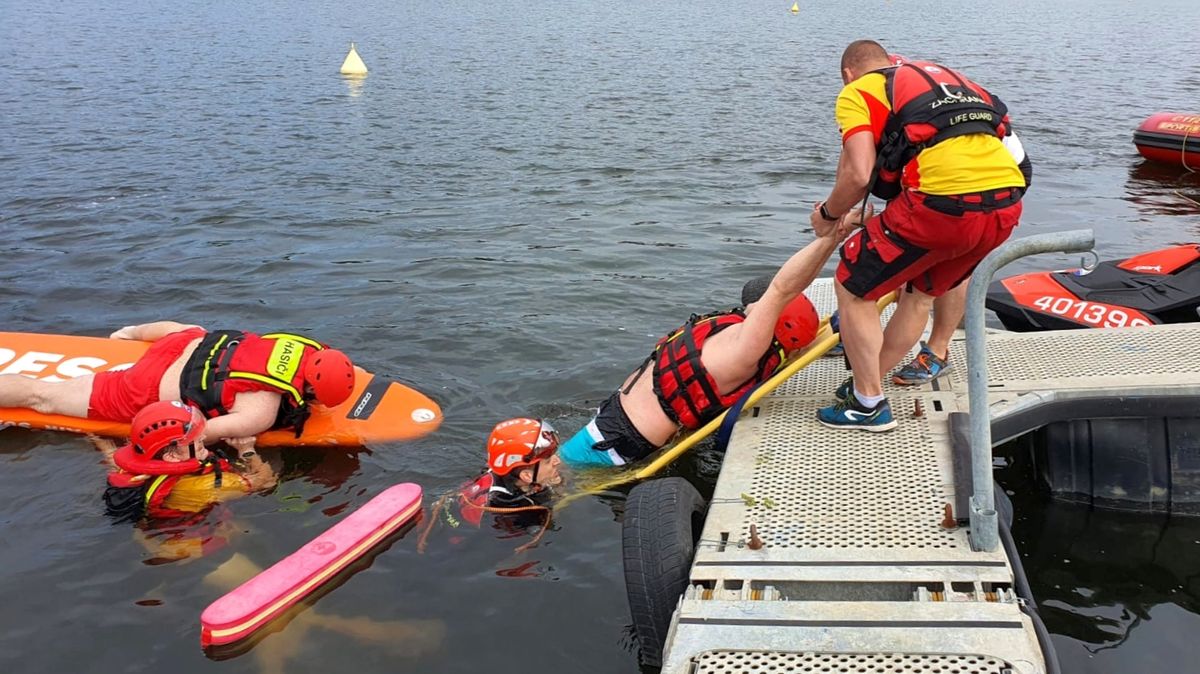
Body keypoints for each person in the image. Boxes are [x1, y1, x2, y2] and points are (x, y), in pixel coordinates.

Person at [811, 40, 1026, 430]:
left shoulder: (856, 92)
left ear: (847, 74)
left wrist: (829, 214)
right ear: (893, 62)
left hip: (940, 205)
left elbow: (859, 173)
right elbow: (1020, 160)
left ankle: (868, 404)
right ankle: (864, 385)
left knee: (853, 287)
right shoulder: (959, 84)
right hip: (1005, 206)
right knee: (921, 293)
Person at [557, 215, 861, 468]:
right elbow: (781, 289)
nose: (755, 306)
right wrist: (832, 238)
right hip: (619, 446)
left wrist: (833, 236)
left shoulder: (730, 334)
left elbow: (782, 289)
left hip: (612, 416)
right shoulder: (748, 349)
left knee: (541, 466)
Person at [0, 321, 357, 445]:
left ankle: (128, 333)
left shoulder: (297, 345)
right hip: (146, 386)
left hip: (182, 343)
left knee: (190, 330)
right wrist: (242, 443)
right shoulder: (260, 410)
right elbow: (196, 433)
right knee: (42, 396)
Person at [99, 400, 278, 523]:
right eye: (195, 439)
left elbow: (112, 456)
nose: (204, 437)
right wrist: (246, 450)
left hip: (153, 530)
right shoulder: (205, 486)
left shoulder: (138, 461)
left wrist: (98, 441)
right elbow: (266, 481)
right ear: (172, 457)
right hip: (185, 547)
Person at [418, 418, 564, 553]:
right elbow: (510, 552)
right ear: (526, 476)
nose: (557, 461)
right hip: (455, 550)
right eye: (548, 460)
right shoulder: (514, 511)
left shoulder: (496, 470)